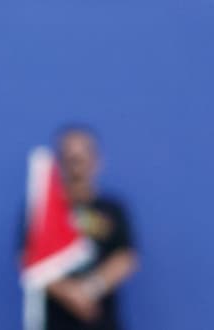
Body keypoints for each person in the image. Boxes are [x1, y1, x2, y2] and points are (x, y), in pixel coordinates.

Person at [41, 126, 138, 330]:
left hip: (102, 322)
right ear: (58, 163)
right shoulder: (42, 211)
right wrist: (70, 294)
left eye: (82, 158)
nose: (76, 167)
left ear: (96, 161)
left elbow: (126, 257)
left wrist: (90, 289)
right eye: (69, 159)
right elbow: (31, 262)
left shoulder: (113, 210)